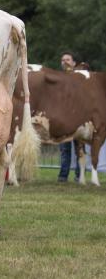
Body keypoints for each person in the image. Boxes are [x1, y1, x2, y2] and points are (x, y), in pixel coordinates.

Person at [57, 51, 81, 182]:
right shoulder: (58, 78)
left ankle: (79, 175)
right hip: (64, 120)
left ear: (74, 63)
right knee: (64, 150)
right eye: (62, 59)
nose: (65, 61)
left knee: (79, 149)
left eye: (67, 59)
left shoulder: (81, 79)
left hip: (78, 119)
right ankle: (63, 176)